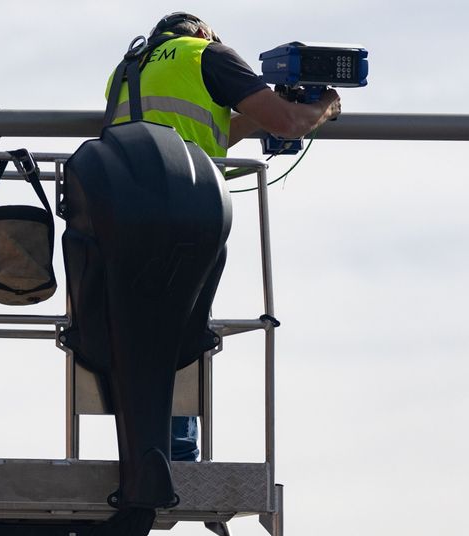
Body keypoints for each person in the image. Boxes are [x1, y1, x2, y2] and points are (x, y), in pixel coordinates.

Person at [109, 12, 343, 461]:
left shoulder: (128, 70)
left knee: (135, 326)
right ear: (200, 30)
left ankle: (144, 446)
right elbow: (290, 125)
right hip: (185, 209)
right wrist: (324, 107)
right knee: (182, 322)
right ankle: (176, 450)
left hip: (123, 207)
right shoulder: (207, 53)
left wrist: (256, 115)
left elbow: (198, 133)